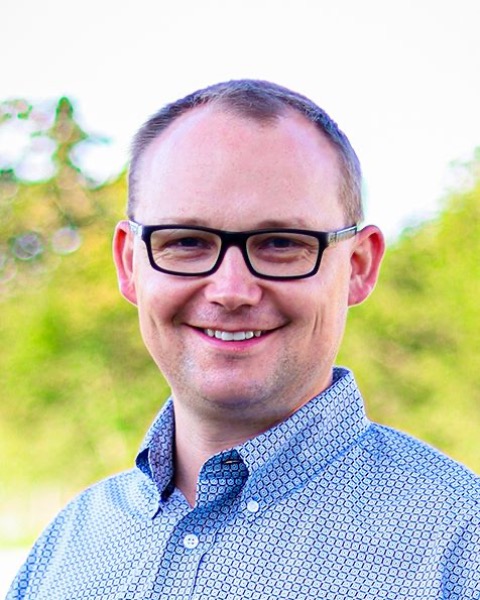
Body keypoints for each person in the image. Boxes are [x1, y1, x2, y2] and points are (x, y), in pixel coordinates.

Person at [8, 80, 480, 599]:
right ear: (128, 264)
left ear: (359, 267)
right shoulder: (68, 548)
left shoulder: (459, 545)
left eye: (281, 243)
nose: (231, 290)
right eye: (186, 241)